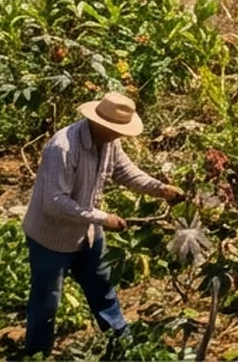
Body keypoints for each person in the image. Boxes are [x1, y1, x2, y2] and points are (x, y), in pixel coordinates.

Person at [22, 92, 185, 358]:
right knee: (46, 302)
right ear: (100, 123)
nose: (119, 135)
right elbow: (54, 202)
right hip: (51, 238)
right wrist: (102, 218)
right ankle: (37, 354)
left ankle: (123, 347)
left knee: (103, 291)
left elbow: (125, 172)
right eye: (115, 130)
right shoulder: (62, 147)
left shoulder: (109, 143)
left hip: (87, 235)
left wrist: (160, 189)